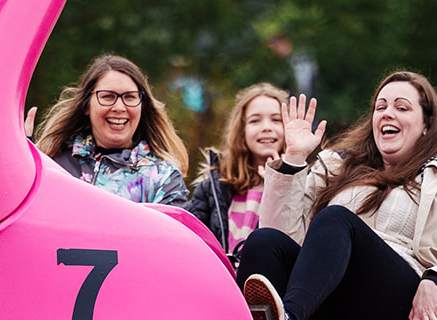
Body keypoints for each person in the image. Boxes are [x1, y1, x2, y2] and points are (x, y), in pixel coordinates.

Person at [235, 71, 437, 320]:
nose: (388, 114)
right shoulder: (337, 168)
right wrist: (293, 158)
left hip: (394, 307)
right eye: (381, 107)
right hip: (326, 303)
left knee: (336, 219)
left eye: (401, 107)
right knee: (263, 242)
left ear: (427, 123)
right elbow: (284, 233)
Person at [35, 54, 190, 205]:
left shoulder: (163, 177)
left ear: (143, 107)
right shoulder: (51, 163)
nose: (119, 107)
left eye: (130, 97)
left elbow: (175, 230)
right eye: (108, 96)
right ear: (86, 105)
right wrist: (24, 160)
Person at [185, 82, 289, 265]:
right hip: (221, 280)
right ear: (241, 130)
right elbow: (190, 233)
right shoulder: (215, 184)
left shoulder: (302, 183)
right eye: (255, 121)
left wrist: (280, 187)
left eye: (276, 119)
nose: (266, 127)